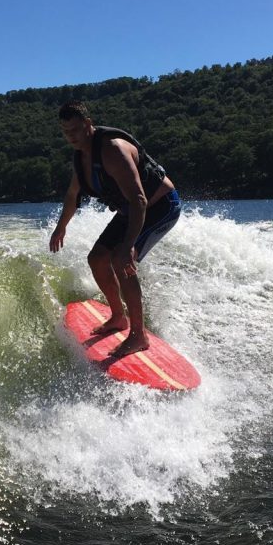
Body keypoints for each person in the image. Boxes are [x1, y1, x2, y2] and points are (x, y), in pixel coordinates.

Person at [49, 101, 181, 357]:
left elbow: (139, 200)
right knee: (97, 258)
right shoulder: (81, 158)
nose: (71, 137)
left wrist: (128, 244)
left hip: (159, 206)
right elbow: (72, 194)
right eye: (65, 132)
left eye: (75, 130)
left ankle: (138, 335)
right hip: (130, 209)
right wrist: (60, 228)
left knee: (122, 260)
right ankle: (118, 317)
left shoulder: (112, 150)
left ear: (88, 124)